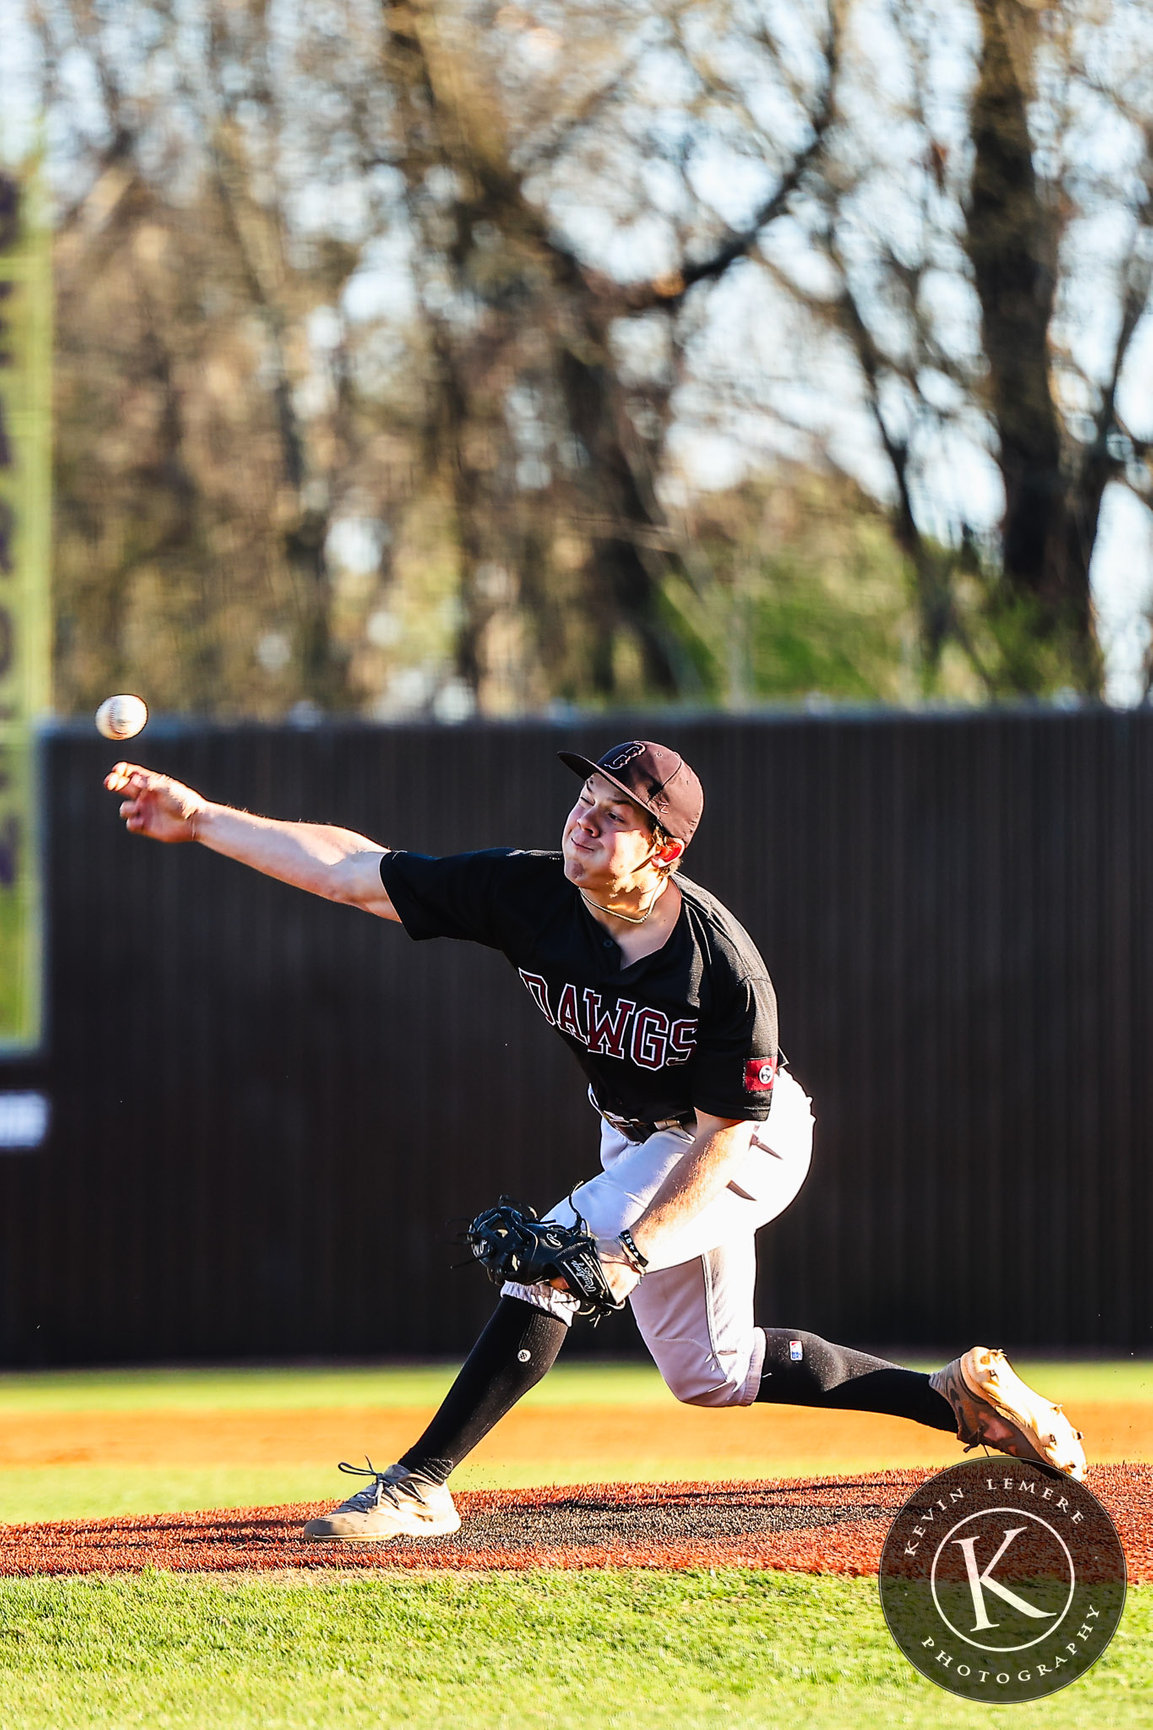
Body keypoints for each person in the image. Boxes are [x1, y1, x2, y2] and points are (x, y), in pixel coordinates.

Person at [105, 739, 1086, 1542]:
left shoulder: (722, 970)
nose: (585, 815)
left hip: (738, 1143)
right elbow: (353, 871)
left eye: (616, 811)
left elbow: (719, 1142)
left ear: (663, 851)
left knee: (556, 1261)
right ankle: (950, 1400)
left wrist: (628, 1250)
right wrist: (199, 820)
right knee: (710, 1370)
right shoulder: (526, 891)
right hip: (636, 1138)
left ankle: (419, 1482)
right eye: (585, 796)